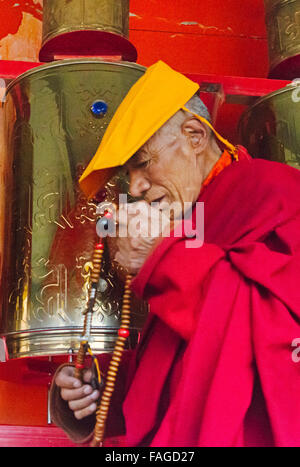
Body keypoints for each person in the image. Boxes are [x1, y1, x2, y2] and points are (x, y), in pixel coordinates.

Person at [50, 61, 300, 447]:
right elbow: (184, 367)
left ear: (195, 135)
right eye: (129, 173)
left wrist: (167, 259)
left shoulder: (277, 193)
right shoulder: (191, 219)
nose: (135, 187)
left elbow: (275, 336)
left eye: (144, 163)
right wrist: (98, 398)